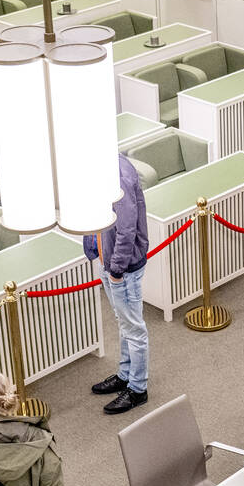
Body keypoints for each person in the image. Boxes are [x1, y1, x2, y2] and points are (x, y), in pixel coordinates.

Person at [82, 152, 151, 415]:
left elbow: (127, 228)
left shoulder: (118, 174)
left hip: (122, 267)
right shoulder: (99, 166)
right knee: (123, 323)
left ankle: (137, 388)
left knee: (134, 329)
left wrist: (116, 269)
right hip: (107, 260)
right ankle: (124, 375)